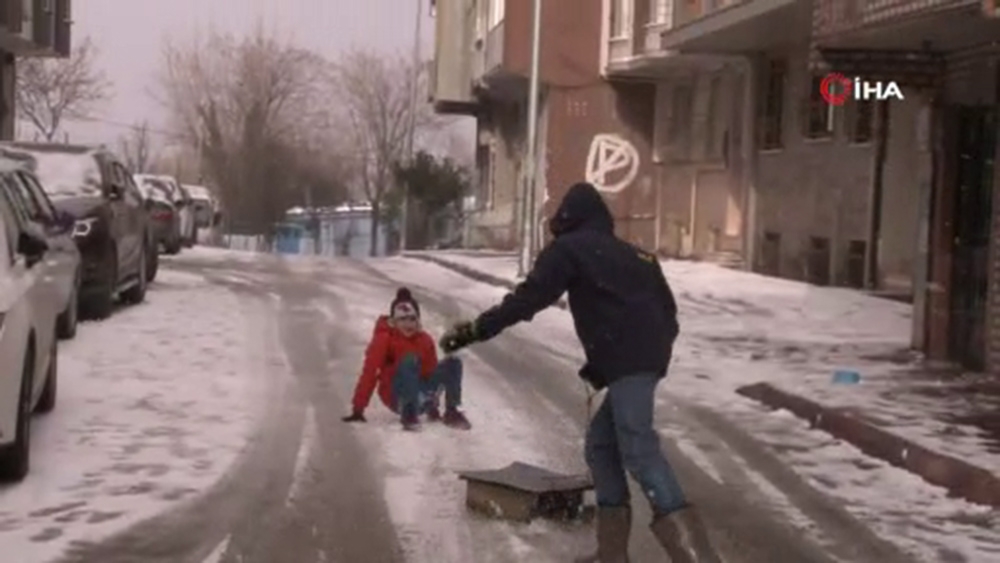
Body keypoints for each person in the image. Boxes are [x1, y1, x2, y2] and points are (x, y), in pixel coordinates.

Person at [439, 182, 720, 562]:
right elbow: (666, 314)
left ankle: (697, 558)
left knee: (638, 450)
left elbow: (528, 300)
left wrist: (476, 329)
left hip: (631, 363)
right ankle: (611, 555)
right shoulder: (638, 256)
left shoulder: (568, 250)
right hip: (645, 360)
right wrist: (630, 359)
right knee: (601, 446)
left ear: (567, 219)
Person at [343, 288, 471, 431]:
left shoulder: (425, 339)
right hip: (396, 396)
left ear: (418, 321)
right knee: (410, 359)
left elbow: (430, 371)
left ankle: (452, 411)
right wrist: (358, 409)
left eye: (412, 319)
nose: (408, 324)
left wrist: (432, 407)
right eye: (402, 319)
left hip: (420, 394)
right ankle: (408, 413)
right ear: (393, 321)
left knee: (453, 362)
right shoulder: (384, 340)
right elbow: (370, 372)